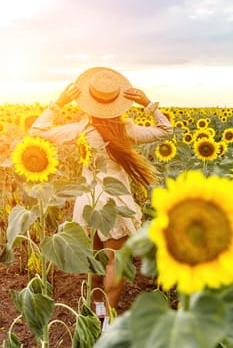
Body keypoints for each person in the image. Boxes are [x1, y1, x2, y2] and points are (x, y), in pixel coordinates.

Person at [29, 66, 173, 328]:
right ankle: (107, 320)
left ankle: (95, 311)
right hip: (115, 204)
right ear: (118, 102)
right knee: (113, 265)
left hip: (89, 203)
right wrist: (148, 104)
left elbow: (37, 132)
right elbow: (166, 131)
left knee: (93, 262)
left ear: (89, 101)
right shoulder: (127, 130)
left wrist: (58, 103)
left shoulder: (81, 130)